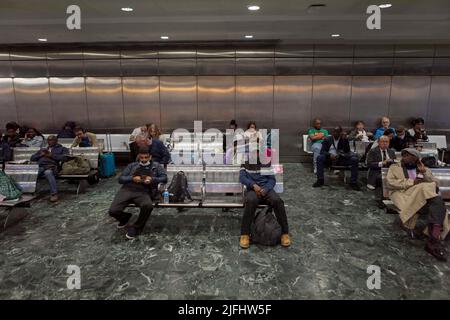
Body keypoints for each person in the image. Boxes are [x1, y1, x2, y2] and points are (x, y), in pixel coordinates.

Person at [386, 148, 449, 261]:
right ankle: (435, 236)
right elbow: (390, 183)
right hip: (403, 193)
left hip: (422, 195)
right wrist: (412, 182)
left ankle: (433, 240)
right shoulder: (394, 167)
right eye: (404, 155)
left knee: (434, 198)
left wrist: (424, 173)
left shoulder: (423, 168)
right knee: (430, 191)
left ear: (416, 159)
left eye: (409, 156)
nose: (405, 157)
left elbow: (436, 183)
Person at [108, 148, 167, 240]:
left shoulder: (156, 166)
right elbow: (121, 179)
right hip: (127, 189)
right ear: (138, 156)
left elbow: (164, 178)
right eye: (142, 157)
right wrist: (132, 178)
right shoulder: (132, 166)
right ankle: (125, 218)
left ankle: (137, 227)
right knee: (113, 211)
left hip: (144, 191)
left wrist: (152, 179)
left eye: (146, 157)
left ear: (150, 157)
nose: (144, 160)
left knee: (148, 206)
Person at [239, 161, 290, 249]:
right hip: (252, 190)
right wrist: (253, 185)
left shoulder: (266, 163)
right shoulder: (245, 162)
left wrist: (265, 189)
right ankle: (245, 234)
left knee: (278, 201)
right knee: (251, 201)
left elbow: (272, 179)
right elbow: (242, 178)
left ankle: (284, 233)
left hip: (266, 189)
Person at [313, 126, 360, 190]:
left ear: (340, 133)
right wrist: (330, 155)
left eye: (337, 132)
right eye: (334, 132)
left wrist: (345, 140)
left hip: (340, 159)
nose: (335, 133)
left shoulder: (343, 139)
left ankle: (353, 183)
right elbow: (322, 151)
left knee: (354, 160)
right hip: (329, 159)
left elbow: (347, 151)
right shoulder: (327, 139)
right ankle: (320, 180)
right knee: (320, 158)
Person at [31, 135, 69, 202]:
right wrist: (41, 155)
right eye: (48, 140)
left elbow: (65, 158)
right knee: (31, 172)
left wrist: (51, 155)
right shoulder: (43, 149)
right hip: (41, 167)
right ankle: (29, 192)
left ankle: (54, 194)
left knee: (48, 172)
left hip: (52, 167)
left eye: (51, 140)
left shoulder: (62, 148)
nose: (49, 142)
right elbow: (32, 158)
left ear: (56, 141)